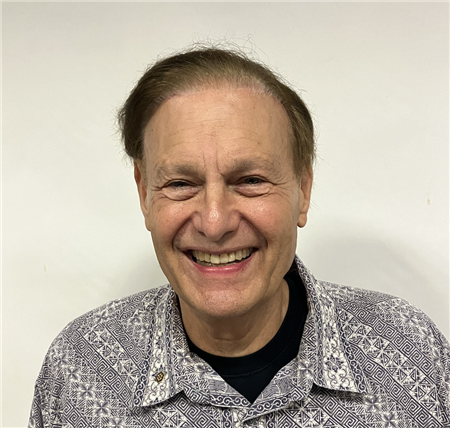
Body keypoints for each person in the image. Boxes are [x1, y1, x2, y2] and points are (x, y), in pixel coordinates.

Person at [29, 47, 450, 428]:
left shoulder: (411, 348)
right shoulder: (80, 368)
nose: (215, 223)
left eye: (250, 180)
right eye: (180, 184)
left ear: (303, 190)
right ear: (144, 193)